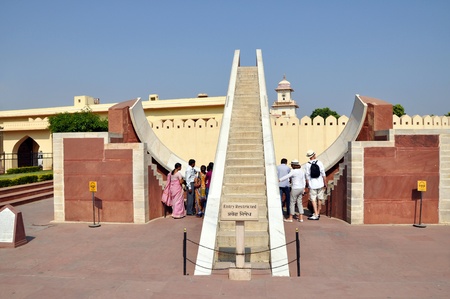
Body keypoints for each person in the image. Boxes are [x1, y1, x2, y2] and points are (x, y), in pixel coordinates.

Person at [305, 150, 327, 220]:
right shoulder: (319, 162)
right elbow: (323, 174)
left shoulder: (307, 164)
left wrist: (307, 184)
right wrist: (325, 183)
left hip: (312, 184)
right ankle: (318, 212)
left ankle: (316, 214)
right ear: (314, 155)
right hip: (320, 183)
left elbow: (307, 176)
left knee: (313, 199)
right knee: (319, 198)